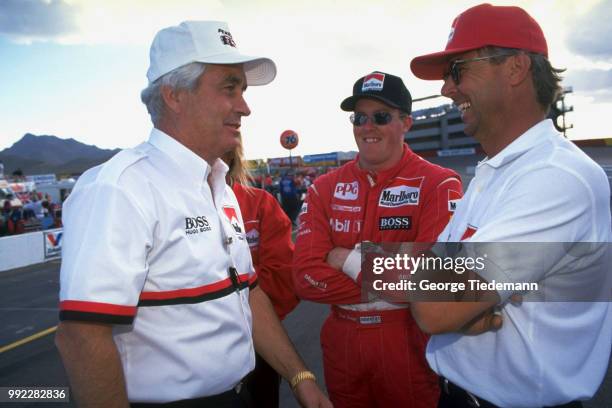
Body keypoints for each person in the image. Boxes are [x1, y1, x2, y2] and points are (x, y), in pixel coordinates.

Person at [55, 20, 331, 408]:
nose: (245, 107)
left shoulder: (218, 185)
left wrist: (300, 376)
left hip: (242, 394)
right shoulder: (118, 189)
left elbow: (249, 295)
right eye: (229, 88)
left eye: (244, 90)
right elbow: (82, 337)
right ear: (174, 95)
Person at [408, 4, 612, 407]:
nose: (448, 88)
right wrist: (455, 287)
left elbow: (433, 308)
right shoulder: (496, 170)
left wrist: (444, 285)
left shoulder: (557, 176)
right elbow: (431, 277)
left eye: (458, 70)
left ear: (516, 68)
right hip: (460, 394)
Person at [293, 71, 463, 408]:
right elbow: (305, 278)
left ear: (406, 123)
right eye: (359, 118)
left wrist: (347, 260)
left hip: (407, 339)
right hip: (342, 341)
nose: (367, 127)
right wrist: (394, 278)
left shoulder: (440, 184)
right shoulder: (323, 187)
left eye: (381, 117)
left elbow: (431, 282)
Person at [222, 139, 300, 408]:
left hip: (260, 347)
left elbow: (287, 276)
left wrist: (348, 260)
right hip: (197, 360)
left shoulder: (260, 203)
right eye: (359, 118)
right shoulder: (172, 204)